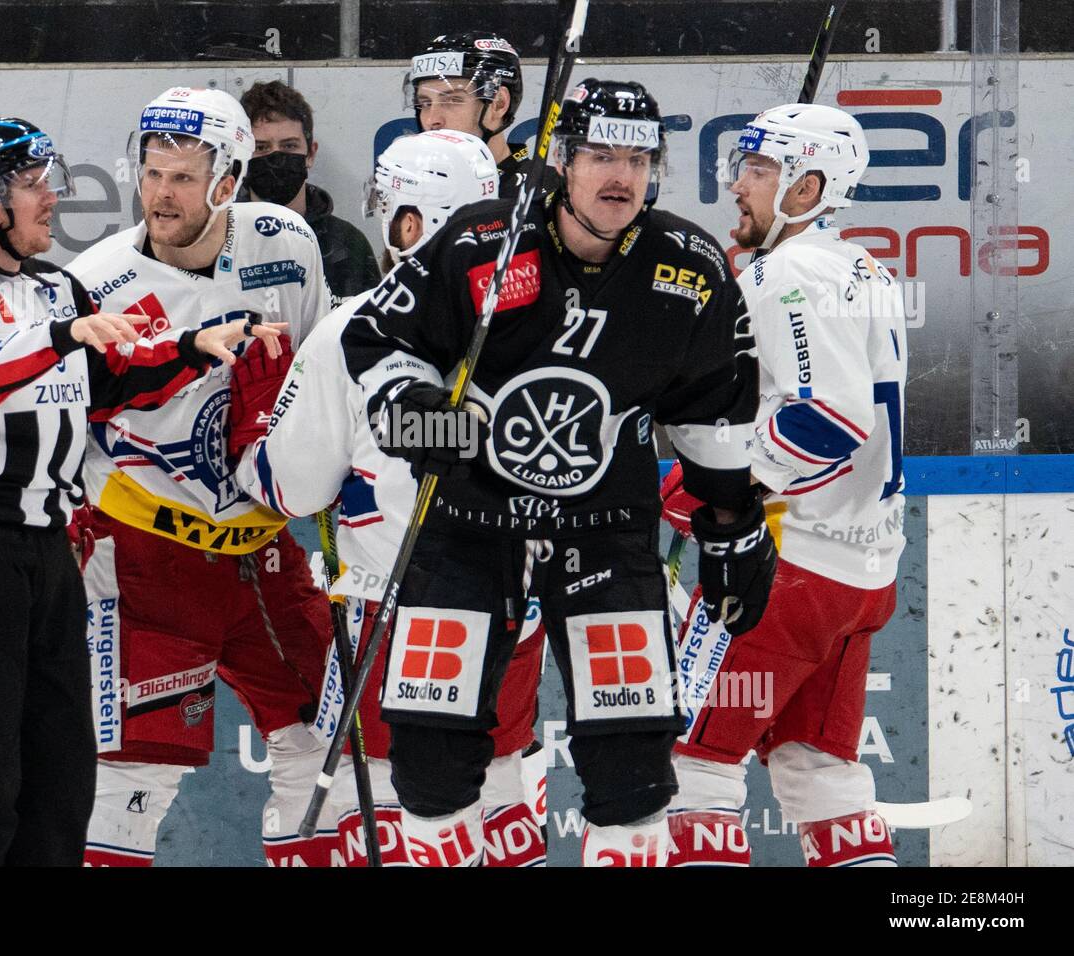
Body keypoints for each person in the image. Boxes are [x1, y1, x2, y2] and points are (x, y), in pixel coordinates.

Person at [339, 79, 777, 867]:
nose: (623, 176)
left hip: (605, 533)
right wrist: (413, 411)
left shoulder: (691, 269)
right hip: (470, 528)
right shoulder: (482, 241)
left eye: (640, 158)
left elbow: (715, 410)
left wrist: (730, 523)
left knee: (633, 767)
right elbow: (376, 337)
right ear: (561, 160)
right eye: (603, 154)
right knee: (430, 764)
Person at [0, 117, 283, 866]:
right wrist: (60, 339)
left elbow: (107, 381)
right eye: (34, 185)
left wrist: (193, 348)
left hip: (49, 559)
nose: (53, 199)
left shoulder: (56, 288)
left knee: (61, 792)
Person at [233, 130, 547, 866]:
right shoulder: (546, 323)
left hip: (398, 612)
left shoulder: (357, 327)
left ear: (410, 223)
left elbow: (290, 487)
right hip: (516, 608)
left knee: (393, 814)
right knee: (500, 798)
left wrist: (255, 426)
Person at [65, 87, 340, 868]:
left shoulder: (287, 242)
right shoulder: (98, 283)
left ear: (229, 180)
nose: (161, 194)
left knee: (328, 748)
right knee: (130, 781)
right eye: (152, 174)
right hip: (145, 556)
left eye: (183, 178)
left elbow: (320, 384)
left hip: (262, 553)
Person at [661, 103, 906, 867]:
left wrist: (721, 487)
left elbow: (826, 420)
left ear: (808, 190)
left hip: (781, 577)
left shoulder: (790, 271)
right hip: (858, 578)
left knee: (691, 767)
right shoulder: (862, 266)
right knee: (820, 775)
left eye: (761, 171)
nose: (739, 185)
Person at [241, 80, 381, 306]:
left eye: (289, 146)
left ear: (310, 154)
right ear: (240, 155)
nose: (276, 158)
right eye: (261, 147)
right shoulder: (221, 238)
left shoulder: (347, 244)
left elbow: (370, 331)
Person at [407, 31, 553, 197]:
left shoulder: (554, 195)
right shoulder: (410, 189)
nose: (432, 119)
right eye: (425, 103)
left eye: (453, 100)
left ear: (499, 104)